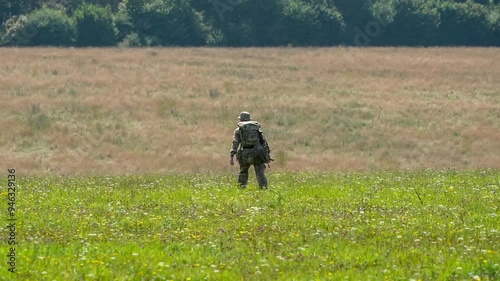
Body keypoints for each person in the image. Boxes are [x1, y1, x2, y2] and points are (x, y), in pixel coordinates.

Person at [229, 111, 271, 189]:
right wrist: (267, 155)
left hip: (245, 154)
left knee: (243, 172)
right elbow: (263, 142)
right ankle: (264, 189)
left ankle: (241, 188)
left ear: (241, 119)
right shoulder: (256, 128)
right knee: (260, 173)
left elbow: (235, 143)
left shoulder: (238, 130)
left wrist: (232, 155)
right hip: (257, 153)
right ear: (249, 119)